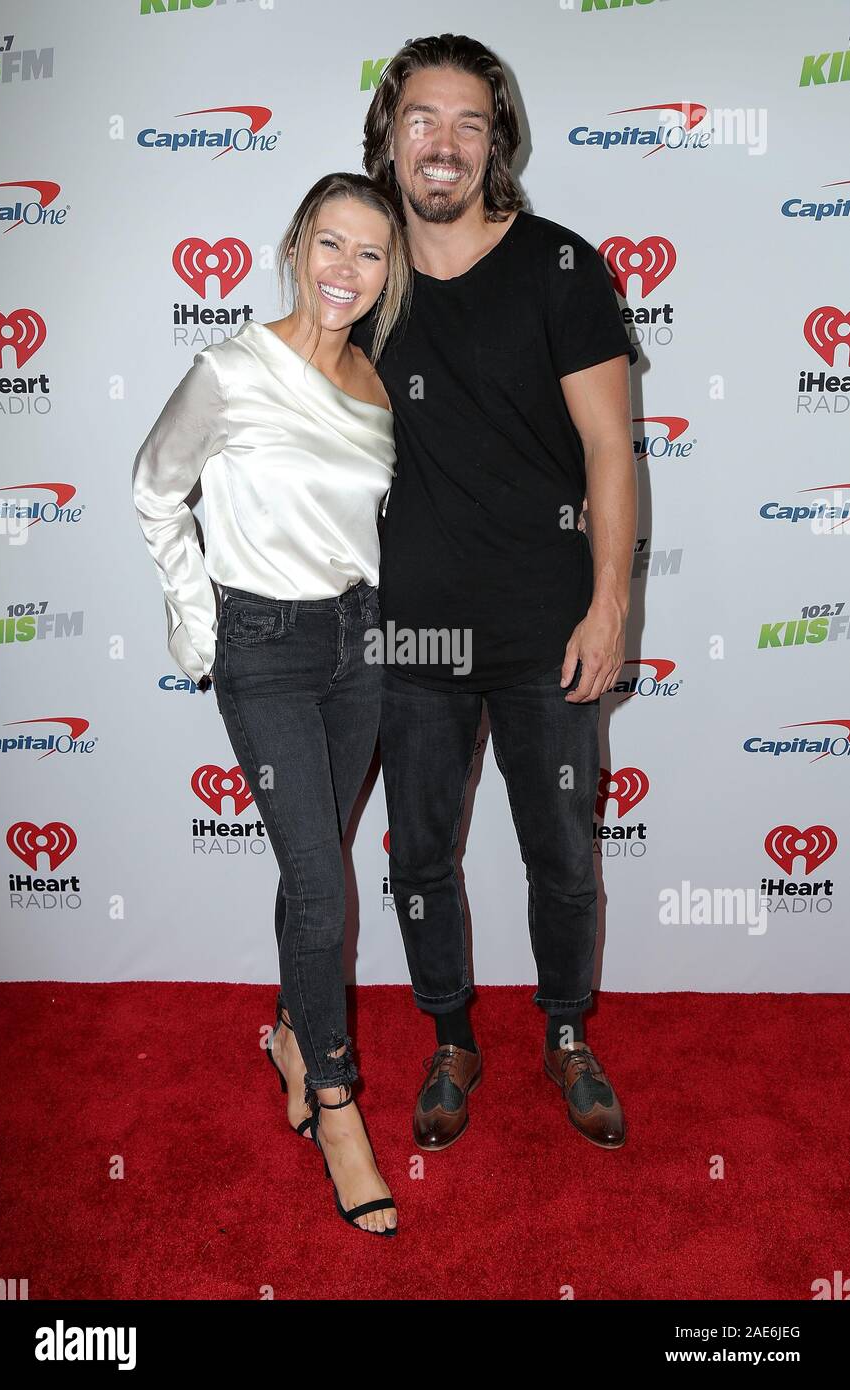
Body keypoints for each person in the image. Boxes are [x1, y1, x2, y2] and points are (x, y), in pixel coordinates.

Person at [350, 35, 638, 1151]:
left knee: (562, 852)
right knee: (418, 856)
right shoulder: (364, 278)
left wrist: (610, 605)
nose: (445, 143)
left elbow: (611, 451)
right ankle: (449, 1037)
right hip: (410, 630)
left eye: (470, 123)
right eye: (423, 118)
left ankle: (566, 1032)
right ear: (388, 133)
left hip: (544, 627)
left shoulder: (561, 265)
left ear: (496, 141)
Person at [131, 172, 412, 1234]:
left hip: (360, 643)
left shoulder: (377, 388)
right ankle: (335, 1103)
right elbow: (155, 483)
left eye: (370, 254)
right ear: (295, 246)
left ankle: (295, 1032)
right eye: (329, 244)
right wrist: (197, 624)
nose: (346, 270)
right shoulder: (232, 367)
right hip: (265, 644)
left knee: (318, 869)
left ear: (388, 276)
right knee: (320, 880)